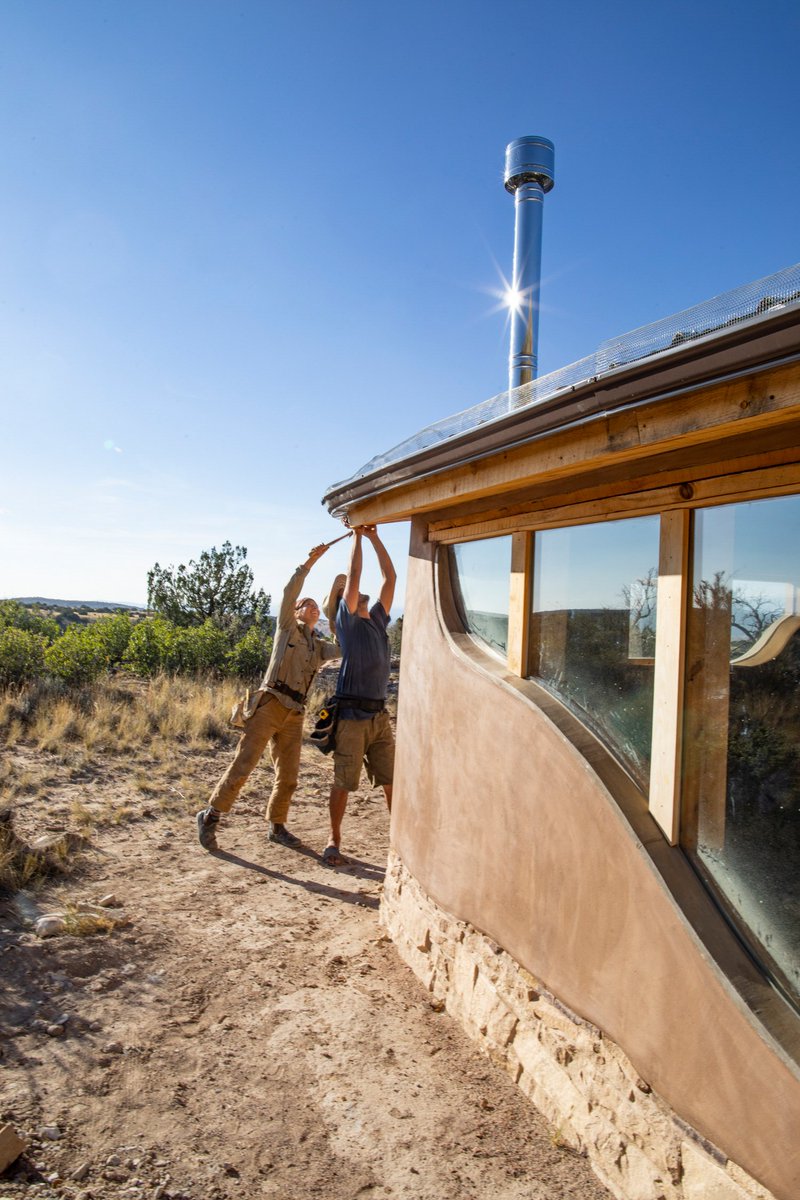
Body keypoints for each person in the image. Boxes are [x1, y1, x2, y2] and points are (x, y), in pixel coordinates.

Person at [196, 542, 341, 851]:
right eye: (308, 604)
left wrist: (338, 616)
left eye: (318, 607)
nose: (313, 608)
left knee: (288, 776)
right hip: (270, 704)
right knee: (244, 764)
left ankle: (277, 827)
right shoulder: (287, 629)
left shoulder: (319, 647)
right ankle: (210, 817)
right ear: (296, 611)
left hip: (294, 714)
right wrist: (309, 562)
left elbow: (343, 649)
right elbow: (290, 591)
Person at [322, 525, 396, 866]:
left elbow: (390, 577)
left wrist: (376, 537)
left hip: (380, 717)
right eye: (352, 594)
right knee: (344, 781)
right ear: (343, 605)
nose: (359, 593)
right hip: (352, 718)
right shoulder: (348, 621)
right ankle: (333, 840)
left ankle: (399, 839)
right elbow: (354, 573)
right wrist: (358, 535)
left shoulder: (377, 620)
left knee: (391, 779)